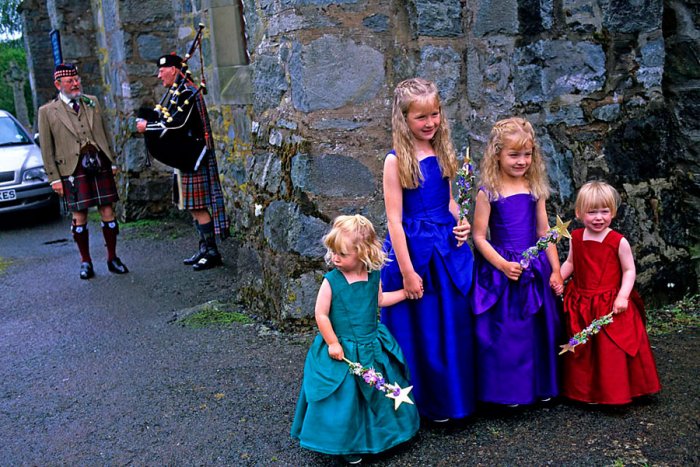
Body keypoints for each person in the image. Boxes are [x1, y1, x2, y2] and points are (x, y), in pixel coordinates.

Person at [380, 78, 475, 421]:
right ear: (403, 118)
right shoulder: (395, 161)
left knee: (450, 326)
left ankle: (452, 399)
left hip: (445, 247)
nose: (430, 122)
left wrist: (461, 220)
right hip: (414, 252)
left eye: (435, 114)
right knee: (420, 329)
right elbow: (394, 220)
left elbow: (448, 200)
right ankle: (420, 405)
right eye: (421, 117)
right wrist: (406, 272)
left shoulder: (442, 151)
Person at [291, 215, 420, 464]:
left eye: (342, 253)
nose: (335, 258)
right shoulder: (331, 282)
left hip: (372, 345)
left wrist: (405, 293)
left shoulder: (373, 276)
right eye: (333, 252)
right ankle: (345, 443)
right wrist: (332, 342)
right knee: (346, 399)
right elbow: (321, 314)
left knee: (379, 389)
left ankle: (387, 436)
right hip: (343, 349)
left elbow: (379, 301)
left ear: (363, 253)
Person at [471, 117, 562, 406]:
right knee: (509, 332)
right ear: (496, 154)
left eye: (527, 154)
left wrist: (556, 269)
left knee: (539, 329)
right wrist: (500, 264)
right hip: (503, 270)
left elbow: (543, 232)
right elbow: (479, 236)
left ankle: (541, 385)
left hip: (534, 266)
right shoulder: (489, 192)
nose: (522, 161)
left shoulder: (534, 188)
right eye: (514, 155)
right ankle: (508, 391)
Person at [559, 181, 661, 404]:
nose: (599, 217)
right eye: (592, 212)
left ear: (613, 212)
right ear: (579, 213)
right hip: (582, 302)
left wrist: (623, 296)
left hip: (609, 302)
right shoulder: (576, 237)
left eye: (605, 211)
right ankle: (585, 392)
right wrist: (558, 276)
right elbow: (570, 263)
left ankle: (617, 390)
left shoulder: (618, 241)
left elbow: (629, 270)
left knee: (610, 349)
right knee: (586, 350)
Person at [136, 54, 230, 270]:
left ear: (175, 69)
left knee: (197, 205)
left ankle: (212, 251)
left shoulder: (187, 92)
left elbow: (177, 125)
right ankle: (204, 248)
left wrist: (147, 127)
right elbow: (168, 118)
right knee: (191, 206)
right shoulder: (178, 91)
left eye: (163, 70)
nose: (159, 75)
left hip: (193, 155)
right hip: (184, 155)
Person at [38, 63, 128, 280]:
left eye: (77, 79)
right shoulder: (47, 111)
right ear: (58, 84)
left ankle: (112, 258)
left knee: (108, 211)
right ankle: (85, 262)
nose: (75, 83)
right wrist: (54, 179)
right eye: (70, 81)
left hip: (99, 162)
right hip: (72, 168)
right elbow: (47, 148)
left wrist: (112, 162)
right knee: (79, 215)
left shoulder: (92, 102)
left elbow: (105, 133)